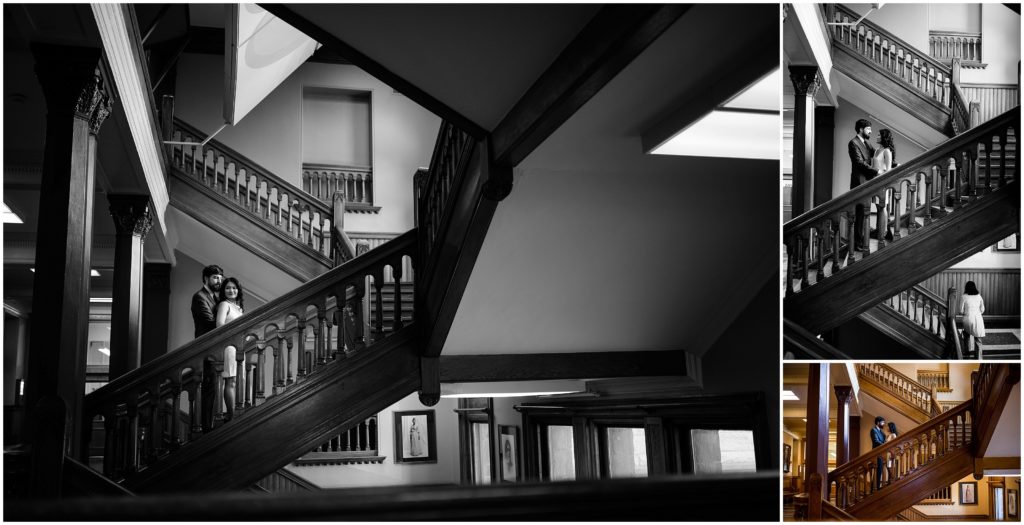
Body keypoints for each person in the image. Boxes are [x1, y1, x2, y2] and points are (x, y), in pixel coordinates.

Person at [216, 277, 245, 422]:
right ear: (223, 291)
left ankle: (235, 412)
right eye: (228, 288)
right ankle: (231, 415)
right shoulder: (224, 304)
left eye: (234, 287)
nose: (231, 290)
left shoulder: (239, 308)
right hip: (229, 347)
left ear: (238, 290)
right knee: (231, 381)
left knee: (238, 379)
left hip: (239, 347)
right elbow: (220, 325)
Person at [849, 119, 878, 251]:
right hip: (859, 182)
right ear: (861, 129)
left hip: (868, 181)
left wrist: (893, 163)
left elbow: (877, 155)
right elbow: (859, 163)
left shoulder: (867, 143)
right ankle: (857, 244)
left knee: (865, 213)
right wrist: (876, 171)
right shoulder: (853, 143)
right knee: (859, 214)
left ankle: (862, 241)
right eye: (868, 129)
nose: (871, 132)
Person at [191, 265, 224, 338]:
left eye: (220, 278)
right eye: (215, 278)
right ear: (206, 278)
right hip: (205, 342)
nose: (219, 281)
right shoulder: (199, 297)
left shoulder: (216, 297)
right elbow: (210, 323)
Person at [960, 281, 986, 357]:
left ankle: (967, 351)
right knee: (978, 339)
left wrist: (966, 312)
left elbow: (960, 310)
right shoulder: (979, 296)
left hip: (967, 318)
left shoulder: (963, 296)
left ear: (966, 288)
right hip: (978, 319)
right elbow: (982, 310)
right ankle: (978, 357)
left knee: (966, 335)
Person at [870, 416, 886, 490]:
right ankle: (874, 488)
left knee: (880, 470)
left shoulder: (881, 432)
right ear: (878, 422)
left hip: (882, 453)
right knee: (877, 470)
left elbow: (884, 440)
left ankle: (877, 487)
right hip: (876, 453)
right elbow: (876, 441)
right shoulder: (873, 430)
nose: (884, 424)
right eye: (882, 422)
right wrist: (885, 444)